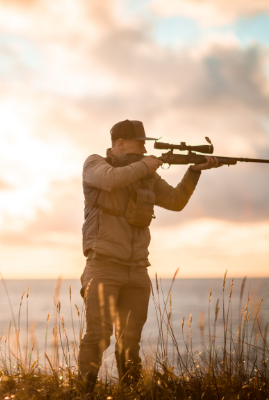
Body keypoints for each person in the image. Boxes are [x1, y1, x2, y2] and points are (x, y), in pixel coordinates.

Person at [78, 119, 219, 390]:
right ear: (119, 144)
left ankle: (130, 392)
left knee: (130, 340)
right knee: (98, 336)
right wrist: (145, 164)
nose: (144, 149)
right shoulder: (95, 164)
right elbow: (110, 180)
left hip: (137, 269)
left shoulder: (147, 175)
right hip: (103, 265)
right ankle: (83, 393)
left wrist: (194, 171)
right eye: (139, 143)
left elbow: (176, 202)